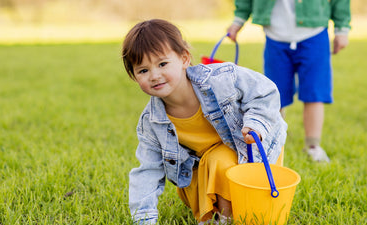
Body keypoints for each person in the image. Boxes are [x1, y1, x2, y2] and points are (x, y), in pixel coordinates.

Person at [122, 19, 287, 225]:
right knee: (196, 176)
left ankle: (227, 219)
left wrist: (256, 124)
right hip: (205, 167)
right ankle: (214, 213)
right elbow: (147, 171)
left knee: (219, 159)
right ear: (134, 76)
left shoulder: (220, 79)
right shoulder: (152, 122)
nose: (155, 75)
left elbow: (266, 92)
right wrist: (144, 219)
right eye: (143, 70)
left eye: (162, 64)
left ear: (184, 59)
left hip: (249, 150)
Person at [227, 0, 351, 163]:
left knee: (315, 92)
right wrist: (238, 20)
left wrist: (342, 29)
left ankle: (313, 146)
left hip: (314, 33)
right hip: (275, 35)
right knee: (273, 94)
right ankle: (272, 141)